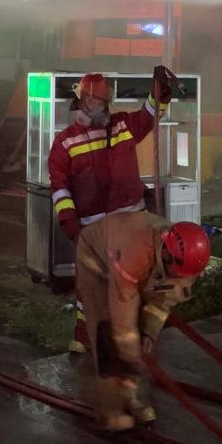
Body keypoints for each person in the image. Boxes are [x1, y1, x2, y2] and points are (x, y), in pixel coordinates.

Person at [48, 67, 174, 353]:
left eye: (104, 103)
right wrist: (71, 226)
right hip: (94, 231)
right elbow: (60, 189)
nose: (100, 107)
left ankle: (137, 337)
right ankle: (85, 339)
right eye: (94, 102)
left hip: (132, 226)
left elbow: (149, 115)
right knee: (90, 287)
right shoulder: (65, 142)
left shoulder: (123, 125)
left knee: (137, 280)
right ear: (82, 102)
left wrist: (159, 94)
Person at [75, 211, 210, 430]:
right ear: (166, 254)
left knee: (139, 334)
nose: (180, 279)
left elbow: (164, 299)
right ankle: (110, 409)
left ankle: (129, 394)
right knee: (106, 331)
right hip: (95, 260)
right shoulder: (137, 249)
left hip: (127, 258)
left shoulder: (182, 258)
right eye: (177, 273)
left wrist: (150, 332)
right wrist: (131, 350)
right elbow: (123, 319)